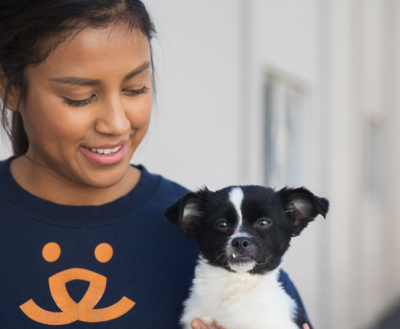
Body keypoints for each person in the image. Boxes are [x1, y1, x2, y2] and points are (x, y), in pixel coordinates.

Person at [0, 1, 312, 328]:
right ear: (10, 88)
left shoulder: (205, 233)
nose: (117, 124)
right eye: (80, 96)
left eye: (135, 89)